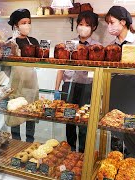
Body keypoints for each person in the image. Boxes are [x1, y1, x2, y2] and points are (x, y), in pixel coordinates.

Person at [54, 11, 100, 152]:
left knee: (84, 121)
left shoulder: (97, 46)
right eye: (80, 24)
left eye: (87, 25)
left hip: (87, 87)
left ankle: (83, 154)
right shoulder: (70, 44)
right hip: (68, 86)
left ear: (94, 27)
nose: (83, 27)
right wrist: (56, 89)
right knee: (69, 120)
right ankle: (70, 152)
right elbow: (61, 68)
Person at [105, 6, 135, 157]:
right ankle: (113, 165)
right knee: (115, 131)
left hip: (132, 93)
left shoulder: (134, 42)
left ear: (123, 22)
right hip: (115, 93)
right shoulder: (111, 46)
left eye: (112, 22)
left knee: (131, 132)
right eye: (108, 23)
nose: (109, 26)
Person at [6, 9, 39, 142]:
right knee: (15, 115)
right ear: (15, 25)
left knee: (31, 114)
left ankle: (30, 142)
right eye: (23, 22)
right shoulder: (9, 42)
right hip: (15, 85)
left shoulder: (34, 41)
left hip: (31, 84)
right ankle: (16, 143)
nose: (27, 25)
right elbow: (5, 65)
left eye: (29, 22)